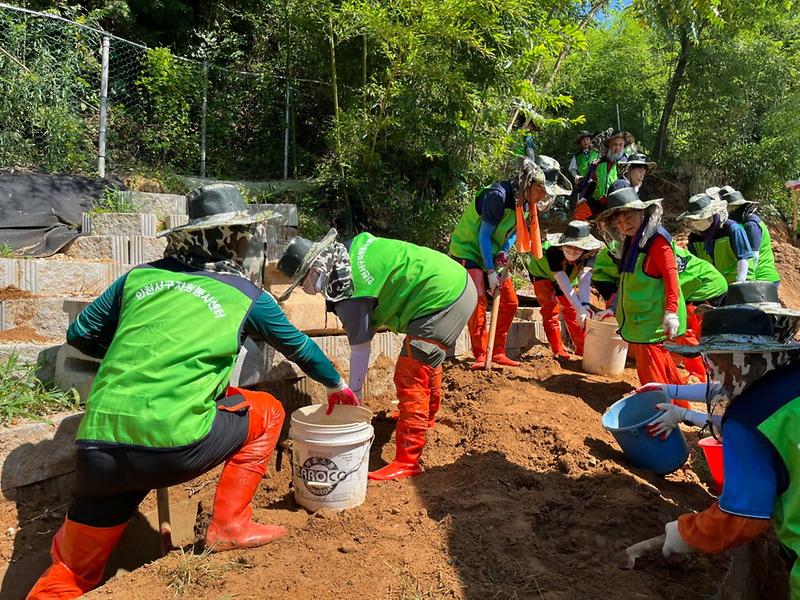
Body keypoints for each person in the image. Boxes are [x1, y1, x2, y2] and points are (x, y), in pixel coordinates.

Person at [26, 185, 357, 599]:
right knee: (268, 411)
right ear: (232, 239)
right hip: (174, 445)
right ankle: (231, 524)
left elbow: (81, 334)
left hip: (98, 450)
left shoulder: (138, 277)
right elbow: (302, 348)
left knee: (70, 574)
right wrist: (337, 384)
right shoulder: (245, 294)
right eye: (244, 234)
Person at [278, 231, 477, 481]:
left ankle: (408, 460)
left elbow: (361, 347)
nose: (309, 290)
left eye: (304, 283)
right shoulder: (347, 253)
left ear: (314, 270)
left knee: (411, 374)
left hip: (441, 298)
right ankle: (426, 418)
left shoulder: (348, 290)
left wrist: (355, 395)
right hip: (458, 283)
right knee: (426, 362)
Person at [634, 305, 800, 597]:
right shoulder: (788, 381)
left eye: (716, 361)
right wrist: (671, 393)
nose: (714, 370)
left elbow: (742, 517)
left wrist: (686, 533)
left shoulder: (747, 420)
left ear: (735, 361)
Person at [450, 155, 572, 369]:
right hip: (469, 248)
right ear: (528, 182)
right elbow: (483, 235)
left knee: (510, 302)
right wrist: (489, 271)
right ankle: (481, 354)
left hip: (493, 252)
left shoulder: (525, 203)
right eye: (540, 190)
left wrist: (504, 251)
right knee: (478, 299)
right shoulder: (498, 196)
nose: (543, 196)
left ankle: (497, 351)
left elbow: (515, 232)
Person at [591, 242, 727, 383]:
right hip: (685, 284)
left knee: (683, 330)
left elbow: (659, 287)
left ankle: (698, 375)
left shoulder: (653, 253)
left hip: (704, 286)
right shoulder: (615, 253)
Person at [594, 187, 687, 386]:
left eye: (628, 218)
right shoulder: (632, 241)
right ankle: (679, 404)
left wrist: (671, 312)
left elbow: (672, 276)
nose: (623, 224)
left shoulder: (657, 241)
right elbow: (629, 282)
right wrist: (613, 307)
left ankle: (657, 411)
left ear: (641, 212)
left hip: (651, 320)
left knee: (651, 372)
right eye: (618, 222)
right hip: (641, 319)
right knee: (662, 366)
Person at [527, 221, 602, 358]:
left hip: (568, 276)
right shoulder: (553, 251)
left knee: (572, 310)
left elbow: (584, 278)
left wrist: (583, 306)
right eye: (569, 247)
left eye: (577, 248)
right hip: (542, 273)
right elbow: (560, 278)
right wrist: (579, 306)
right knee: (550, 308)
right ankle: (558, 350)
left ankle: (583, 349)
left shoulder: (590, 254)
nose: (573, 251)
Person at [679, 192, 754, 284]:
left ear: (710, 217)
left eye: (697, 219)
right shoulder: (695, 237)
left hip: (740, 283)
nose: (694, 222)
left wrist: (740, 281)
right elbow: (697, 265)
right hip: (717, 286)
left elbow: (743, 257)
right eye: (693, 220)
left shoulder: (732, 229)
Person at [722, 188, 780, 288]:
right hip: (760, 278)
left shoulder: (751, 225)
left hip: (762, 278)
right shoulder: (746, 223)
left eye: (731, 210)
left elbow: (754, 256)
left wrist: (744, 280)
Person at [574, 130, 634, 221]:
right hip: (597, 200)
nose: (617, 148)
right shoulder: (600, 162)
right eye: (614, 144)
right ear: (609, 145)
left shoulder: (627, 164)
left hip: (616, 205)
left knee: (608, 226)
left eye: (620, 145)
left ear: (624, 146)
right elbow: (594, 182)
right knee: (578, 214)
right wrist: (585, 197)